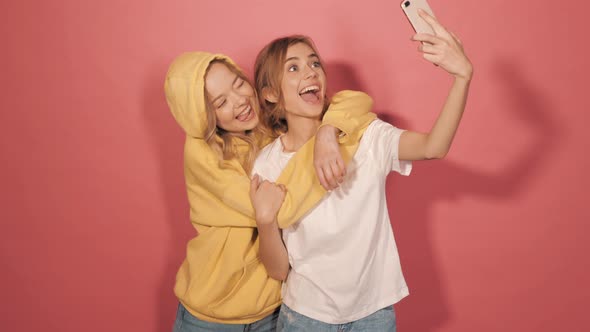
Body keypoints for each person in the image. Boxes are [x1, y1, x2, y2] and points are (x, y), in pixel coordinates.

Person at [250, 10, 473, 331]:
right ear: (270, 94)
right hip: (304, 316)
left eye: (314, 63)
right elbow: (278, 270)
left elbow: (433, 147)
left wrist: (462, 77)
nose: (311, 73)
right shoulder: (267, 163)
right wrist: (265, 221)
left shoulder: (367, 135)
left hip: (374, 313)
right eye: (293, 68)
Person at [164, 51, 375, 331]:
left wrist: (329, 132)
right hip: (212, 315)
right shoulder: (203, 153)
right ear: (202, 118)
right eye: (221, 102)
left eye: (238, 84)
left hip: (274, 310)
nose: (240, 100)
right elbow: (280, 210)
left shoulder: (267, 125)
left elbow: (355, 100)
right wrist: (334, 149)